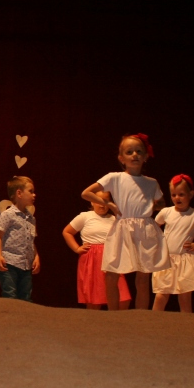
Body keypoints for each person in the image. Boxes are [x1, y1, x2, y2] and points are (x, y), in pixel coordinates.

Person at [81, 133, 168, 310]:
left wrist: (148, 208)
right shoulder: (115, 178)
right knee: (112, 273)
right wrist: (108, 203)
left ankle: (141, 316)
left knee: (143, 277)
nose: (134, 155)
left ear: (145, 156)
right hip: (122, 228)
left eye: (138, 151)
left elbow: (161, 203)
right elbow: (86, 193)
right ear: (121, 158)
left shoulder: (151, 183)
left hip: (144, 230)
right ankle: (114, 316)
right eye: (129, 152)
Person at [152, 174, 194, 313]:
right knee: (161, 294)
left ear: (191, 194)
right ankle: (153, 321)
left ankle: (186, 323)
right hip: (167, 260)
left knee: (185, 296)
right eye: (174, 195)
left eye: (181, 194)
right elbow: (153, 228)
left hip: (185, 260)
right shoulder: (166, 212)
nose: (177, 198)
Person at [63, 191, 133, 310]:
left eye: (105, 201)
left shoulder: (114, 218)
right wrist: (77, 248)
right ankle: (93, 322)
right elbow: (67, 232)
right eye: (98, 201)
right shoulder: (85, 216)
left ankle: (116, 321)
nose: (102, 205)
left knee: (122, 299)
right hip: (92, 259)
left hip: (110, 257)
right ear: (92, 202)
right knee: (94, 299)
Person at [0, 176, 39, 301]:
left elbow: (31, 240)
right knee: (10, 295)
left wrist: (36, 256)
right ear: (19, 193)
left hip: (26, 265)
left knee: (26, 297)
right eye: (30, 191)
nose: (34, 195)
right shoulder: (8, 214)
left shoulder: (31, 218)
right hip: (9, 263)